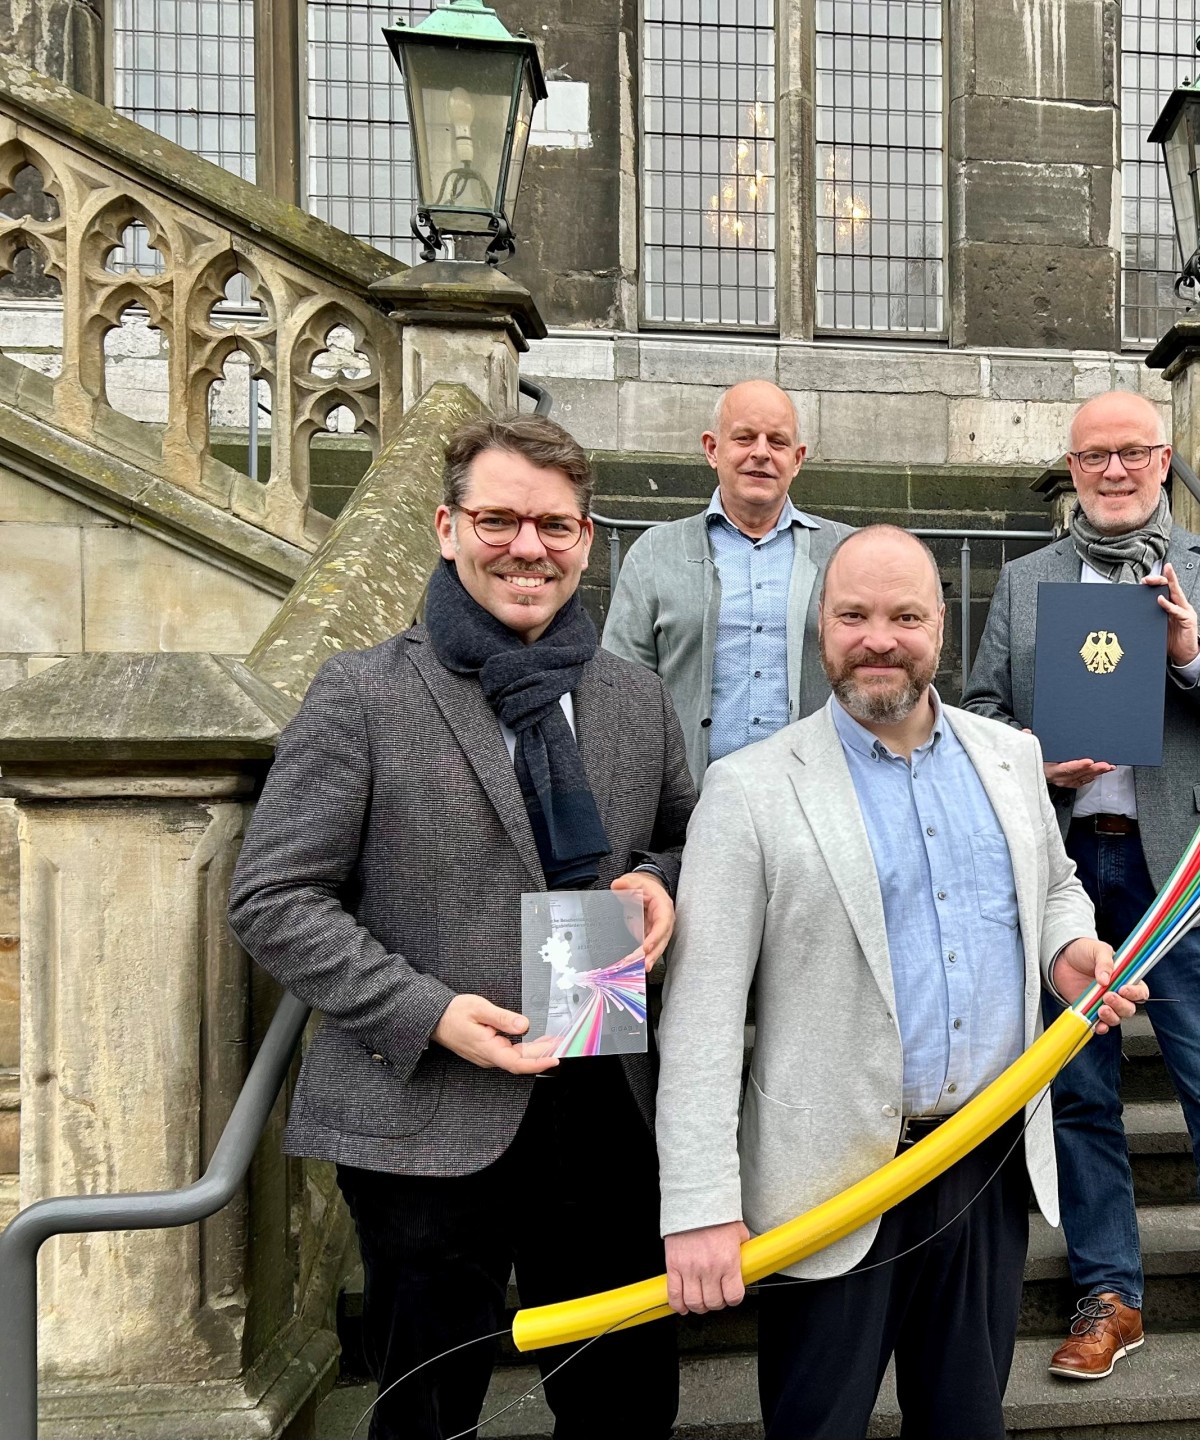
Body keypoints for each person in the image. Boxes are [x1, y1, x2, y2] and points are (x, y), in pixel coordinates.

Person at [229, 414, 693, 1440]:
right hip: (427, 1117)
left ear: (586, 538)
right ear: (445, 527)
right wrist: (428, 1011)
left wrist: (660, 882)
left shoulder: (632, 698)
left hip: (604, 1101)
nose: (528, 546)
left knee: (625, 1405)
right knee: (429, 1416)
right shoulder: (362, 692)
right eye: (499, 519)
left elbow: (674, 834)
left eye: (555, 526)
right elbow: (272, 896)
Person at [653, 525, 1147, 1440]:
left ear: (942, 627)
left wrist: (1067, 949)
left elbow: (1054, 888)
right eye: (854, 615)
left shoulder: (1008, 757)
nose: (880, 637)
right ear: (821, 626)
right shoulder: (749, 788)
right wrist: (698, 1208)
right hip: (828, 1184)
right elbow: (702, 1018)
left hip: (984, 1167)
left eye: (905, 616)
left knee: (965, 1424)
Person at [961, 390, 1200, 1398]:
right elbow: (980, 721)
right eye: (1092, 457)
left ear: (1163, 462)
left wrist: (1193, 657)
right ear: (1070, 470)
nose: (1112, 472)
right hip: (1069, 869)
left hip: (1182, 870)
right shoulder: (1026, 583)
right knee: (1080, 1092)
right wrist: (1042, 764)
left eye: (1131, 454)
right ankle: (1107, 1297)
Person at [603, 379, 852, 783]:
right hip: (687, 807)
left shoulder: (846, 553)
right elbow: (617, 692)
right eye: (744, 437)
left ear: (798, 458)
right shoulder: (654, 553)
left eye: (777, 441)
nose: (761, 453)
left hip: (814, 801)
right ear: (712, 449)